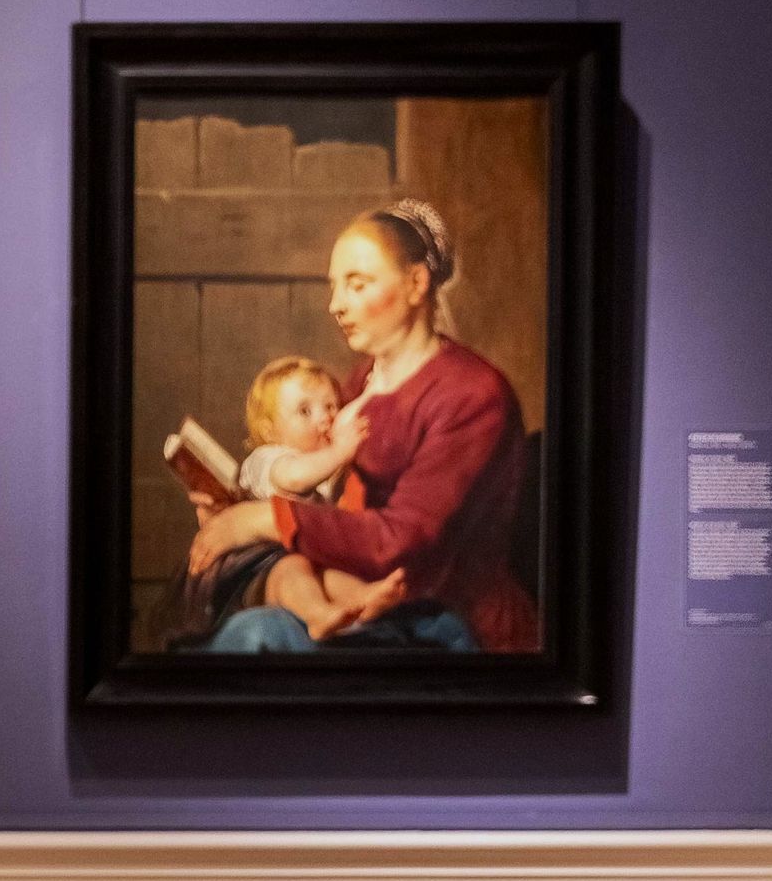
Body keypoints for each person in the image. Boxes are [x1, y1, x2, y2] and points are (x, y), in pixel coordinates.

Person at [182, 199, 539, 654]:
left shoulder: (472, 395)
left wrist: (262, 519)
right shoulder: (360, 382)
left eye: (357, 285)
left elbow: (401, 541)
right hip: (356, 602)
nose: (336, 305)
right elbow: (333, 504)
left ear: (415, 283)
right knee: (246, 637)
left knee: (255, 641)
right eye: (335, 287)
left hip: (444, 622)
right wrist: (234, 511)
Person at [189, 356, 406, 644]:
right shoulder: (269, 459)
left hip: (306, 557)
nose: (324, 417)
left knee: (329, 575)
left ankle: (364, 601)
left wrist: (371, 393)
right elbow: (294, 478)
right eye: (305, 411)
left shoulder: (322, 465)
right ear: (270, 431)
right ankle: (318, 616)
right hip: (263, 567)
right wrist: (342, 451)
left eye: (330, 406)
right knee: (294, 571)